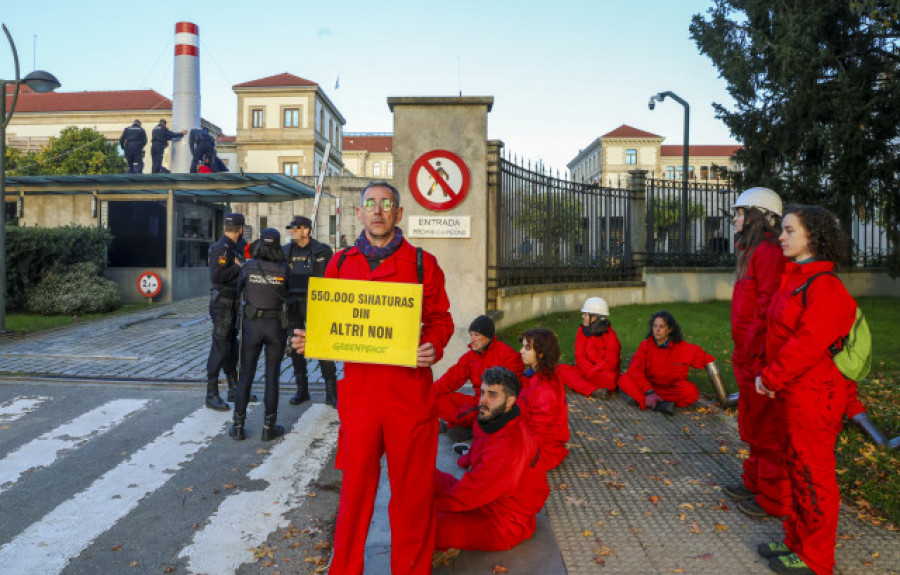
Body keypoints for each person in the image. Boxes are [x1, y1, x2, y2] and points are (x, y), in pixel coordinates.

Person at [290, 181, 454, 574]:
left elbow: (440, 320)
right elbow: (330, 325)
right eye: (370, 204)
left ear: (398, 214)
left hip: (409, 397)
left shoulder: (421, 263)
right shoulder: (342, 263)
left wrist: (432, 345)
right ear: (359, 213)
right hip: (360, 398)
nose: (377, 211)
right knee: (354, 495)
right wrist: (312, 339)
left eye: (386, 205)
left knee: (413, 497)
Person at [754, 205, 858, 575]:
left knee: (814, 476)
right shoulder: (797, 279)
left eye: (789, 231)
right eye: (782, 230)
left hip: (815, 398)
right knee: (797, 471)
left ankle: (816, 559)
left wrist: (771, 377)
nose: (781, 237)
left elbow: (808, 344)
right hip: (793, 395)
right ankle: (796, 540)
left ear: (812, 236)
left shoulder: (824, 286)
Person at [432, 366, 550, 565]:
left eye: (492, 395)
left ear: (510, 401)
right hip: (487, 498)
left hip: (503, 522)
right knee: (425, 475)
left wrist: (428, 507)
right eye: (483, 392)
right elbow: (477, 457)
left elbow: (471, 494)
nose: (483, 401)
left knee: (423, 524)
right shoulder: (496, 419)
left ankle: (448, 541)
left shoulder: (508, 446)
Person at [722, 187, 792, 520]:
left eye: (739, 213)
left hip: (758, 356)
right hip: (747, 354)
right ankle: (754, 482)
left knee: (765, 428)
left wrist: (753, 352)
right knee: (752, 422)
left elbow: (767, 308)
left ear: (757, 216)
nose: (734, 219)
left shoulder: (766, 253)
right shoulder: (751, 251)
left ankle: (774, 497)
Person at [228, 228, 289, 441]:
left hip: (252, 325)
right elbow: (288, 296)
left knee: (245, 375)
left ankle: (238, 426)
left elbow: (239, 291)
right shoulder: (284, 268)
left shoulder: (248, 266)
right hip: (275, 327)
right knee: (272, 377)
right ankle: (268, 427)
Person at [434, 315, 526, 443]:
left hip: (496, 405)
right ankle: (474, 427)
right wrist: (428, 392)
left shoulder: (508, 356)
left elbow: (513, 390)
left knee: (473, 413)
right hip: (476, 402)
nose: (472, 339)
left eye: (476, 335)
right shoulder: (470, 357)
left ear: (488, 336)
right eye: (471, 335)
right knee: (436, 399)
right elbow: (450, 379)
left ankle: (452, 426)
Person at [282, 215, 337, 407]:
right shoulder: (286, 251)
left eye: (295, 228)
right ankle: (301, 390)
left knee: (322, 346)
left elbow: (334, 277)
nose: (292, 232)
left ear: (306, 230)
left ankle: (331, 392)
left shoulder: (322, 250)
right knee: (296, 347)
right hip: (293, 304)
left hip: (317, 304)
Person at [618, 311, 715, 415]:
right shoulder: (645, 345)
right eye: (654, 326)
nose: (657, 330)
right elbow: (634, 369)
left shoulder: (683, 348)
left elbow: (708, 360)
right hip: (649, 388)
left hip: (671, 390)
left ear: (670, 329)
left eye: (661, 326)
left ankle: (647, 401)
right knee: (623, 379)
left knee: (691, 392)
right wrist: (649, 391)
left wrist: (722, 394)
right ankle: (655, 403)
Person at [205, 212, 255, 411]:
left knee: (231, 346)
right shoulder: (222, 248)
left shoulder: (234, 248)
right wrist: (238, 267)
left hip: (232, 304)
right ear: (240, 229)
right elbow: (217, 276)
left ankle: (234, 389)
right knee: (220, 346)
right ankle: (211, 393)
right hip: (222, 304)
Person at [517, 328, 570, 471]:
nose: (521, 351)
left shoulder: (545, 389)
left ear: (540, 353)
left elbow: (538, 433)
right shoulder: (535, 375)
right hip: (528, 436)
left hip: (542, 450)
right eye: (523, 346)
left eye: (527, 348)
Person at [562, 297, 621, 399]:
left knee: (610, 378)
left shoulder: (610, 335)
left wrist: (592, 370)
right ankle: (594, 391)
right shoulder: (581, 331)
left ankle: (580, 386)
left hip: (600, 374)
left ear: (594, 317)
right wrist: (587, 370)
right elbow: (579, 356)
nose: (582, 316)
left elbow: (611, 362)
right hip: (584, 371)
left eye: (585, 314)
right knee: (559, 369)